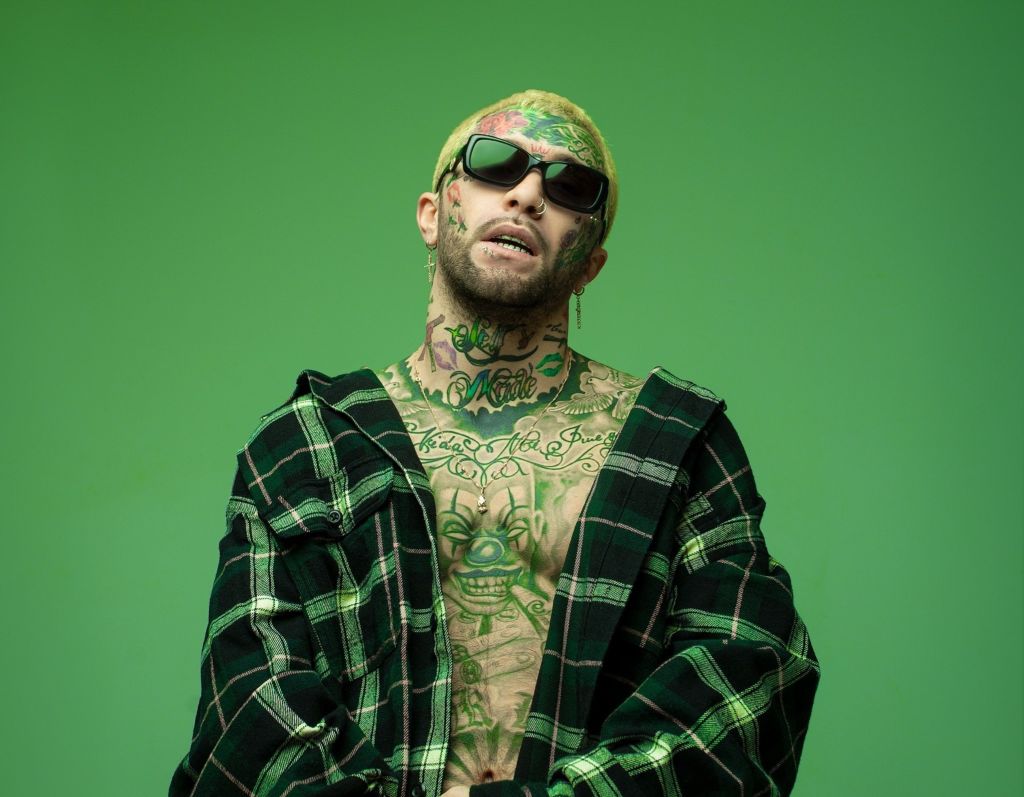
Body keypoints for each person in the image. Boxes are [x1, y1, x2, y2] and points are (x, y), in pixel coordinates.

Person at [170, 89, 820, 797]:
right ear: (432, 213)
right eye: (495, 164)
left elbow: (746, 681)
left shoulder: (678, 444)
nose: (529, 194)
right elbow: (251, 708)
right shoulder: (305, 445)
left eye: (571, 187)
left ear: (592, 262)